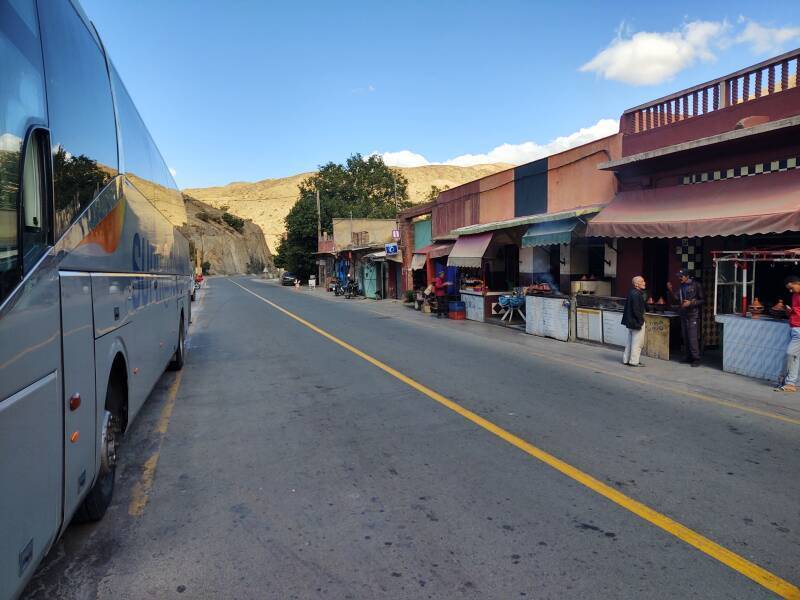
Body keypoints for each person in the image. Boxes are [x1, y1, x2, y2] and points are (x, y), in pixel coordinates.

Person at [667, 269, 704, 367]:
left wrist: (691, 303)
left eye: (681, 276)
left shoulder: (696, 285)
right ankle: (688, 356)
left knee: (693, 338)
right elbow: (675, 299)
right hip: (683, 315)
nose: (679, 278)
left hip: (693, 315)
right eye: (679, 276)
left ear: (687, 276)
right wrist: (670, 290)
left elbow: (702, 300)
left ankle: (696, 358)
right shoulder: (681, 286)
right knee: (685, 337)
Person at [776, 275, 800, 393]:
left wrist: (794, 311)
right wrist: (789, 311)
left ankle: (788, 381)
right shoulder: (795, 295)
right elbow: (796, 311)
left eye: (791, 288)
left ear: (796, 283)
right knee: (792, 357)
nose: (790, 291)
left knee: (790, 353)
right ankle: (790, 383)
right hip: (793, 327)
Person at [621, 276, 647, 367]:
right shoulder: (637, 294)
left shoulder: (632, 292)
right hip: (636, 322)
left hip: (631, 322)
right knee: (637, 343)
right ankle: (634, 361)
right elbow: (636, 310)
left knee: (630, 341)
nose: (644, 283)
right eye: (642, 281)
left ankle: (626, 359)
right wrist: (641, 320)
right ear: (636, 284)